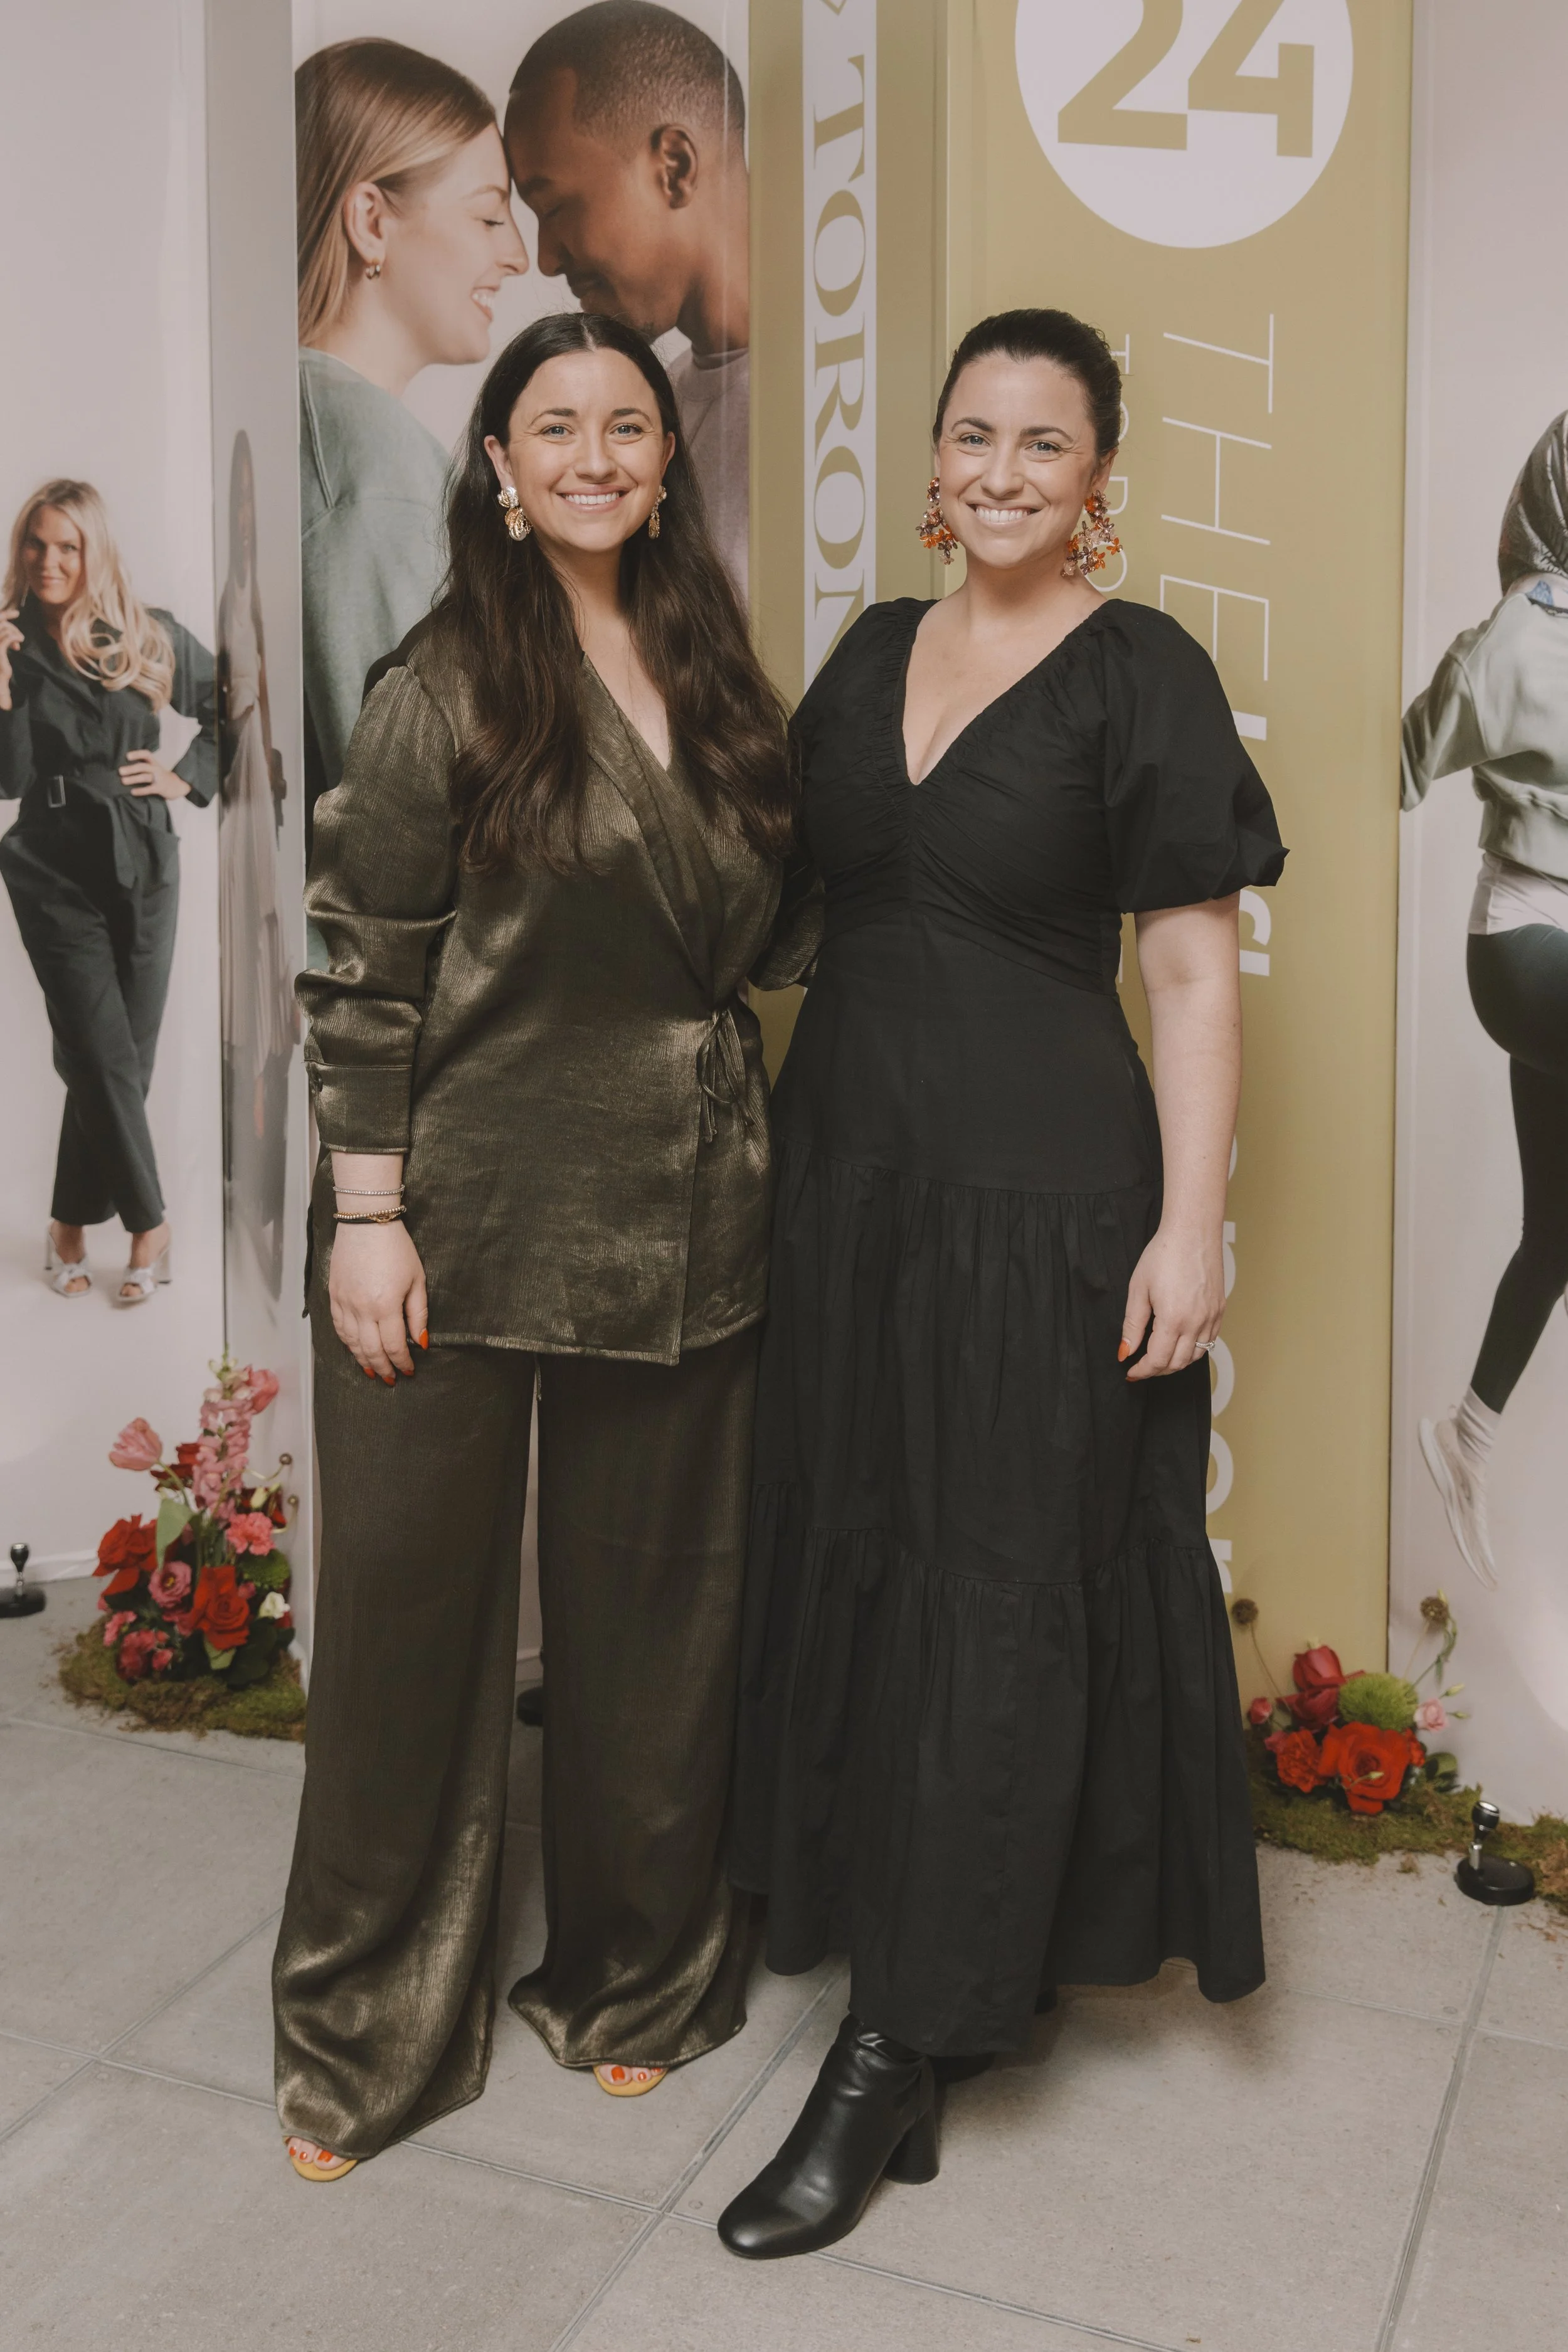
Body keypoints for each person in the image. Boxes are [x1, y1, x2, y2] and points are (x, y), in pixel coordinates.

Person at [719, 309, 1285, 2260]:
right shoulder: (870, 651)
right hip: (847, 1184)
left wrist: (1190, 1224)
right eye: (974, 433)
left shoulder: (1143, 672)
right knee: (873, 1545)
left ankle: (892, 2043)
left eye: (1044, 443)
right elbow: (774, 892)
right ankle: (950, 1946)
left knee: (997, 1578)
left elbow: (1190, 973)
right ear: (931, 457)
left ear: (1097, 477)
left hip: (1044, 1197)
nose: (1001, 471)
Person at [272, 310, 819, 2182]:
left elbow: (784, 924)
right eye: (555, 425)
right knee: (403, 1646)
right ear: (498, 466)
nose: (595, 453)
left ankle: (633, 1973)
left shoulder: (718, 675)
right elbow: (363, 972)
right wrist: (364, 1217)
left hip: (679, 1202)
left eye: (628, 424)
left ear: (664, 461)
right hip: (442, 1214)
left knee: (656, 1627)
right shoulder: (437, 685)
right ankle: (360, 2037)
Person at [1402, 411, 1568, 1590]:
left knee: (1556, 1233)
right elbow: (1412, 749)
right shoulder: (1534, 627)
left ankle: (1468, 1435)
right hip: (1529, 942)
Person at [295, 38, 528, 835]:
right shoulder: (374, 469)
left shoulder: (317, 425)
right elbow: (414, 826)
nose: (517, 254)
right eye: (489, 215)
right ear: (371, 221)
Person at [0, 480, 216, 1304]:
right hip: (51, 864)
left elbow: (233, 700)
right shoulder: (10, 644)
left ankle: (66, 1222)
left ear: (94, 551)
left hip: (144, 856)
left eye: (69, 545)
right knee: (98, 1052)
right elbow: (8, 778)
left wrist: (186, 776)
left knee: (123, 1061)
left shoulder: (144, 632)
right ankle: (150, 1225)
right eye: (36, 542)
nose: (49, 560)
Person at [506, 1, 750, 597]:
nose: (546, 259)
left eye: (555, 207)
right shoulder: (654, 412)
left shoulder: (846, 397)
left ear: (674, 167)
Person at [217, 432, 297, 1302]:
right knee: (249, 997)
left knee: (274, 1000)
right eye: (237, 500)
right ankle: (247, 1180)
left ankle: (268, 1188)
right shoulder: (230, 591)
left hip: (262, 800)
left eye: (252, 498)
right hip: (236, 808)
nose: (245, 514)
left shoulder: (264, 589)